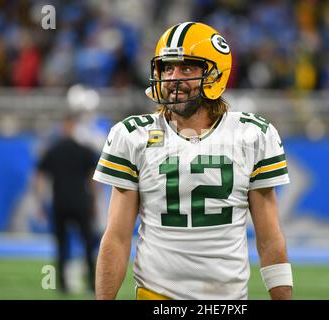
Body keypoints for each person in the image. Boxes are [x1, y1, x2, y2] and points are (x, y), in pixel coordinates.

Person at [93, 22, 293, 300]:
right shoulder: (132, 136)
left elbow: (270, 238)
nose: (174, 78)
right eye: (167, 68)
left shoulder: (252, 135)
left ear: (214, 74)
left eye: (187, 68)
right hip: (156, 297)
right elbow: (116, 237)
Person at [36, 113, 98, 293]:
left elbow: (39, 177)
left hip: (60, 202)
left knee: (62, 244)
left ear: (63, 127)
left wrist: (41, 201)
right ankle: (92, 284)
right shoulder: (84, 150)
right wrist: (94, 201)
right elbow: (93, 178)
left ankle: (62, 285)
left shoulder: (53, 150)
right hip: (81, 202)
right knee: (87, 244)